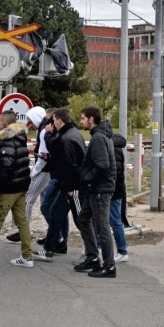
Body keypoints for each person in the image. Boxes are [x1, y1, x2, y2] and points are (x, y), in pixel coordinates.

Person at [34, 108, 85, 262]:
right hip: (66, 184)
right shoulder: (70, 134)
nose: (51, 123)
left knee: (81, 220)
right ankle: (49, 249)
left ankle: (94, 250)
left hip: (72, 186)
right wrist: (49, 158)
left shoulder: (67, 138)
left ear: (59, 121)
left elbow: (72, 165)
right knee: (56, 215)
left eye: (53, 120)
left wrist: (70, 188)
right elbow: (62, 158)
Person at [0, 110, 33, 267]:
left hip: (9, 187)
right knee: (21, 220)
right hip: (21, 185)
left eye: (0, 120)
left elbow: (5, 165)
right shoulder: (19, 137)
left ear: (5, 122)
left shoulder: (7, 141)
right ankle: (27, 256)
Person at [74, 106, 117, 278]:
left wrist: (87, 177)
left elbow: (103, 165)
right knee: (83, 219)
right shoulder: (99, 136)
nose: (81, 121)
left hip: (100, 189)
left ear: (91, 119)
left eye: (83, 118)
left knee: (102, 227)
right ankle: (92, 257)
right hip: (96, 188)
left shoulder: (98, 138)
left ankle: (109, 266)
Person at [7, 106, 50, 244]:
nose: (29, 123)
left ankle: (22, 232)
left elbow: (43, 155)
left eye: (31, 119)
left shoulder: (43, 131)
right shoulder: (44, 129)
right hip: (49, 171)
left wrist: (34, 173)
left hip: (43, 171)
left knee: (27, 199)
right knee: (46, 204)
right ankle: (56, 234)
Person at [110, 130, 129, 263]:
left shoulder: (113, 148)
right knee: (112, 221)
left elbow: (115, 173)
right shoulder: (115, 146)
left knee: (115, 221)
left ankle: (122, 251)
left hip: (114, 192)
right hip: (116, 191)